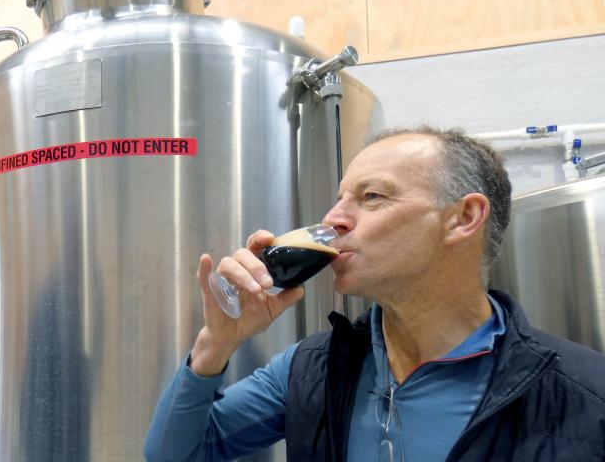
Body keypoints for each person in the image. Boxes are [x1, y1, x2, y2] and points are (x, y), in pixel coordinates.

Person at [144, 127, 605, 461]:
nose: (335, 218)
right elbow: (177, 454)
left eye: (373, 197)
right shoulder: (311, 369)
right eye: (341, 198)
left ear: (463, 217)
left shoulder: (585, 394)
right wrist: (216, 343)